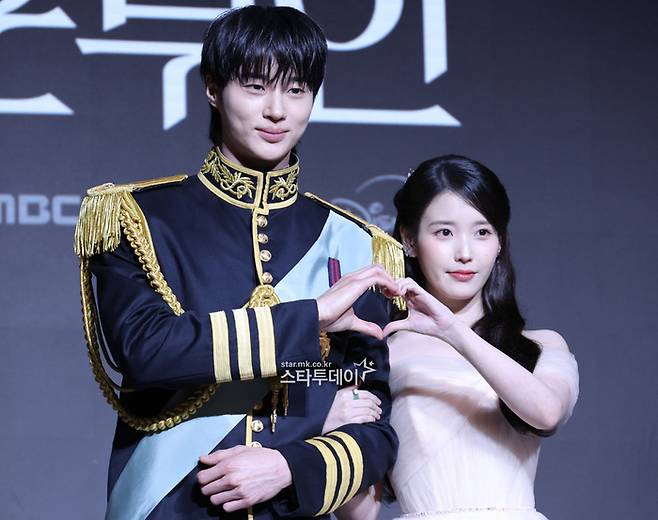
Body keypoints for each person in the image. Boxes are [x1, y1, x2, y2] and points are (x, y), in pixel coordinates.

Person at [73, 6, 402, 519]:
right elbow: (147, 352)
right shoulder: (136, 218)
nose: (277, 110)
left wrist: (291, 464)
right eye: (254, 87)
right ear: (213, 88)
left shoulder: (357, 243)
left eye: (296, 90)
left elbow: (374, 419)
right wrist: (311, 320)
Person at [333, 155, 580, 520]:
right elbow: (363, 514)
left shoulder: (541, 344)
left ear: (500, 242)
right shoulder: (382, 350)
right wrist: (336, 430)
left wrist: (452, 330)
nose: (465, 253)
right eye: (444, 233)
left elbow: (546, 413)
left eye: (482, 232)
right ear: (409, 239)